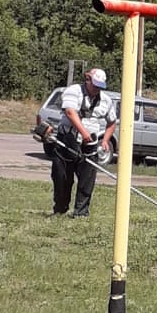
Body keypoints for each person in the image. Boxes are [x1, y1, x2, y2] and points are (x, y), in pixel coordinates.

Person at [51, 68, 117, 218]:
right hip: (67, 139)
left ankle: (81, 212)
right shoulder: (74, 91)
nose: (97, 89)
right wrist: (83, 132)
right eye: (95, 85)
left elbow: (112, 122)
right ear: (87, 80)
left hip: (90, 144)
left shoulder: (106, 100)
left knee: (87, 179)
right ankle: (60, 209)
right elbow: (70, 112)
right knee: (61, 176)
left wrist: (105, 140)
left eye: (100, 86)